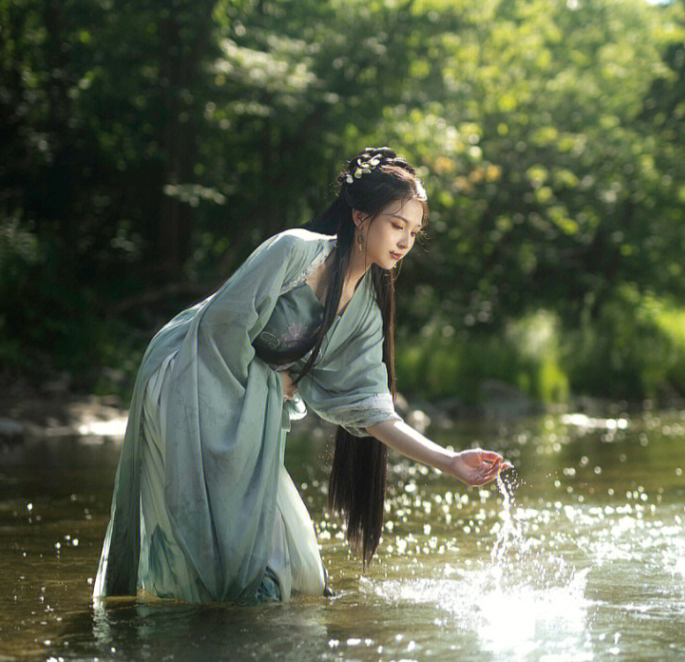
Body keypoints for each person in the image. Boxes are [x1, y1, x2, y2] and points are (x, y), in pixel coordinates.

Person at [92, 147, 505, 605]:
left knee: (286, 577)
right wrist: (275, 385)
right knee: (217, 556)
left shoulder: (366, 308)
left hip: (243, 402)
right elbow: (219, 331)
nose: (405, 241)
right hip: (183, 377)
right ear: (360, 217)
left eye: (414, 231)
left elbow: (370, 408)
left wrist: (448, 462)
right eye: (396, 224)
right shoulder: (294, 253)